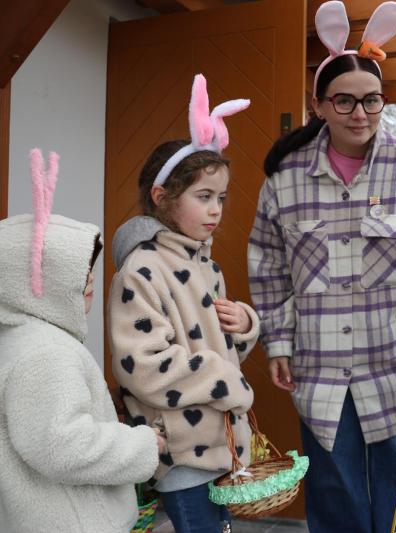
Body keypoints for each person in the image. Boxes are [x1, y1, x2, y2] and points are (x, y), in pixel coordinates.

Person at [247, 3, 396, 531]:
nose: (360, 113)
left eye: (372, 100)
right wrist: (278, 343)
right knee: (337, 498)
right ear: (319, 105)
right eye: (345, 100)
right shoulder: (285, 180)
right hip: (320, 373)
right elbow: (269, 269)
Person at [108, 75, 260, 533]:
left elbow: (224, 348)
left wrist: (244, 325)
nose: (216, 209)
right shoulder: (141, 270)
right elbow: (141, 365)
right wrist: (221, 377)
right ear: (163, 198)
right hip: (180, 451)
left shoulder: (207, 267)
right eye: (203, 197)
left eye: (221, 198)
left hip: (222, 444)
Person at [0, 149, 163, 533]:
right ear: (36, 280)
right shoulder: (46, 353)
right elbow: (62, 445)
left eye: (90, 268)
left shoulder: (21, 337)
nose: (91, 279)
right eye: (75, 271)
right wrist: (142, 445)